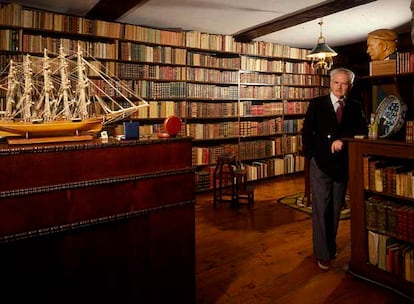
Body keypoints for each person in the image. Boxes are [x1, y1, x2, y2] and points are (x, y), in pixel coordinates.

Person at [302, 67, 368, 270]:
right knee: (321, 209)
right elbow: (307, 135)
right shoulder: (317, 104)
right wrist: (316, 154)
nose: (340, 87)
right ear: (330, 83)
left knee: (335, 209)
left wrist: (343, 142)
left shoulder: (355, 106)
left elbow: (362, 132)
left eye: (345, 83)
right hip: (320, 163)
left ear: (350, 85)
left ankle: (329, 247)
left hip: (342, 165)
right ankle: (323, 254)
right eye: (336, 82)